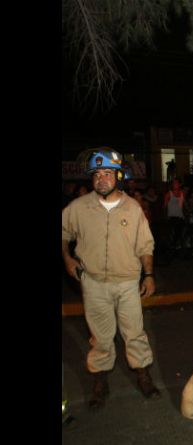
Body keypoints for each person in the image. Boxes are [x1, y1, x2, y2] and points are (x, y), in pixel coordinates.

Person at [61, 147, 161, 410]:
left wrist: (148, 275)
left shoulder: (133, 208)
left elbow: (145, 246)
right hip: (93, 283)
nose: (101, 179)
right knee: (100, 337)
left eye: (107, 173)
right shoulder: (79, 207)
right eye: (96, 175)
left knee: (134, 333)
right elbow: (63, 233)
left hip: (127, 282)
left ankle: (143, 376)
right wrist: (67, 258)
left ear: (118, 176)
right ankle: (99, 382)